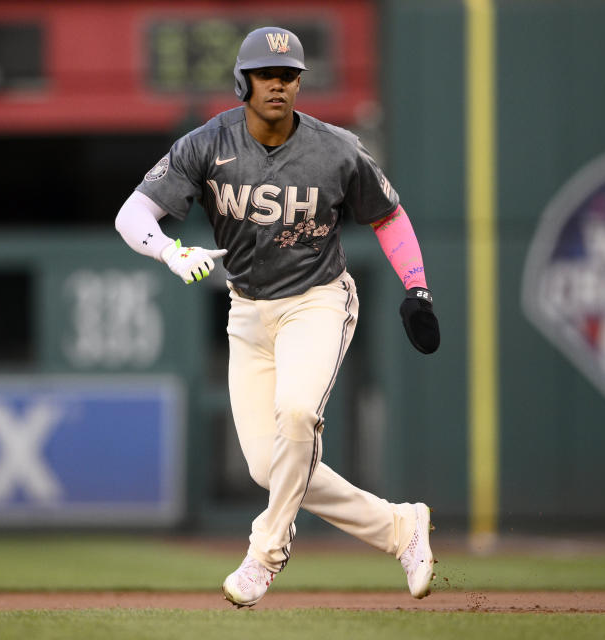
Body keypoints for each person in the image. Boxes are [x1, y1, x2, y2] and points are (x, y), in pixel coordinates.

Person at [115, 26, 440, 608]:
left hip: (317, 301)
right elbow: (132, 212)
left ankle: (264, 554)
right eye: (267, 74)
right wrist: (169, 250)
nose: (279, 86)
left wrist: (417, 287)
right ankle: (400, 527)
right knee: (273, 467)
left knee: (296, 415)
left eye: (289, 76)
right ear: (244, 81)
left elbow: (389, 217)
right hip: (249, 312)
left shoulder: (337, 147)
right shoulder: (208, 142)